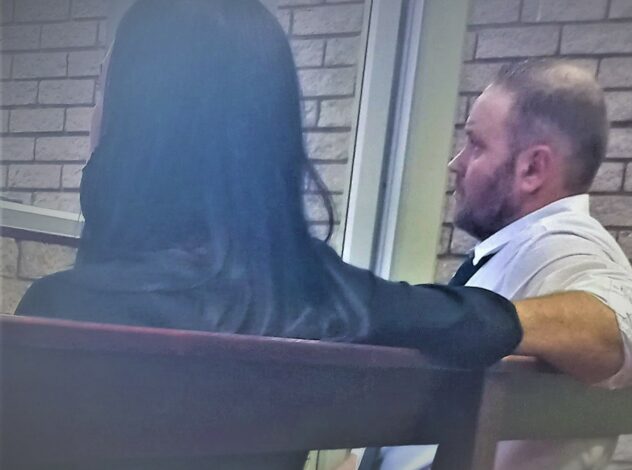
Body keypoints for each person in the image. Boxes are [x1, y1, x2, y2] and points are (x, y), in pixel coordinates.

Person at [14, 1, 524, 468]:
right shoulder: (323, 295)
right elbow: (482, 322)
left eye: (104, 92)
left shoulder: (62, 313)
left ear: (135, 126)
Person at [355, 62, 632, 470]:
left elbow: (628, 328)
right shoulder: (517, 251)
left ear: (532, 168)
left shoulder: (563, 245)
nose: (456, 162)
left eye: (475, 144)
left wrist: (435, 316)